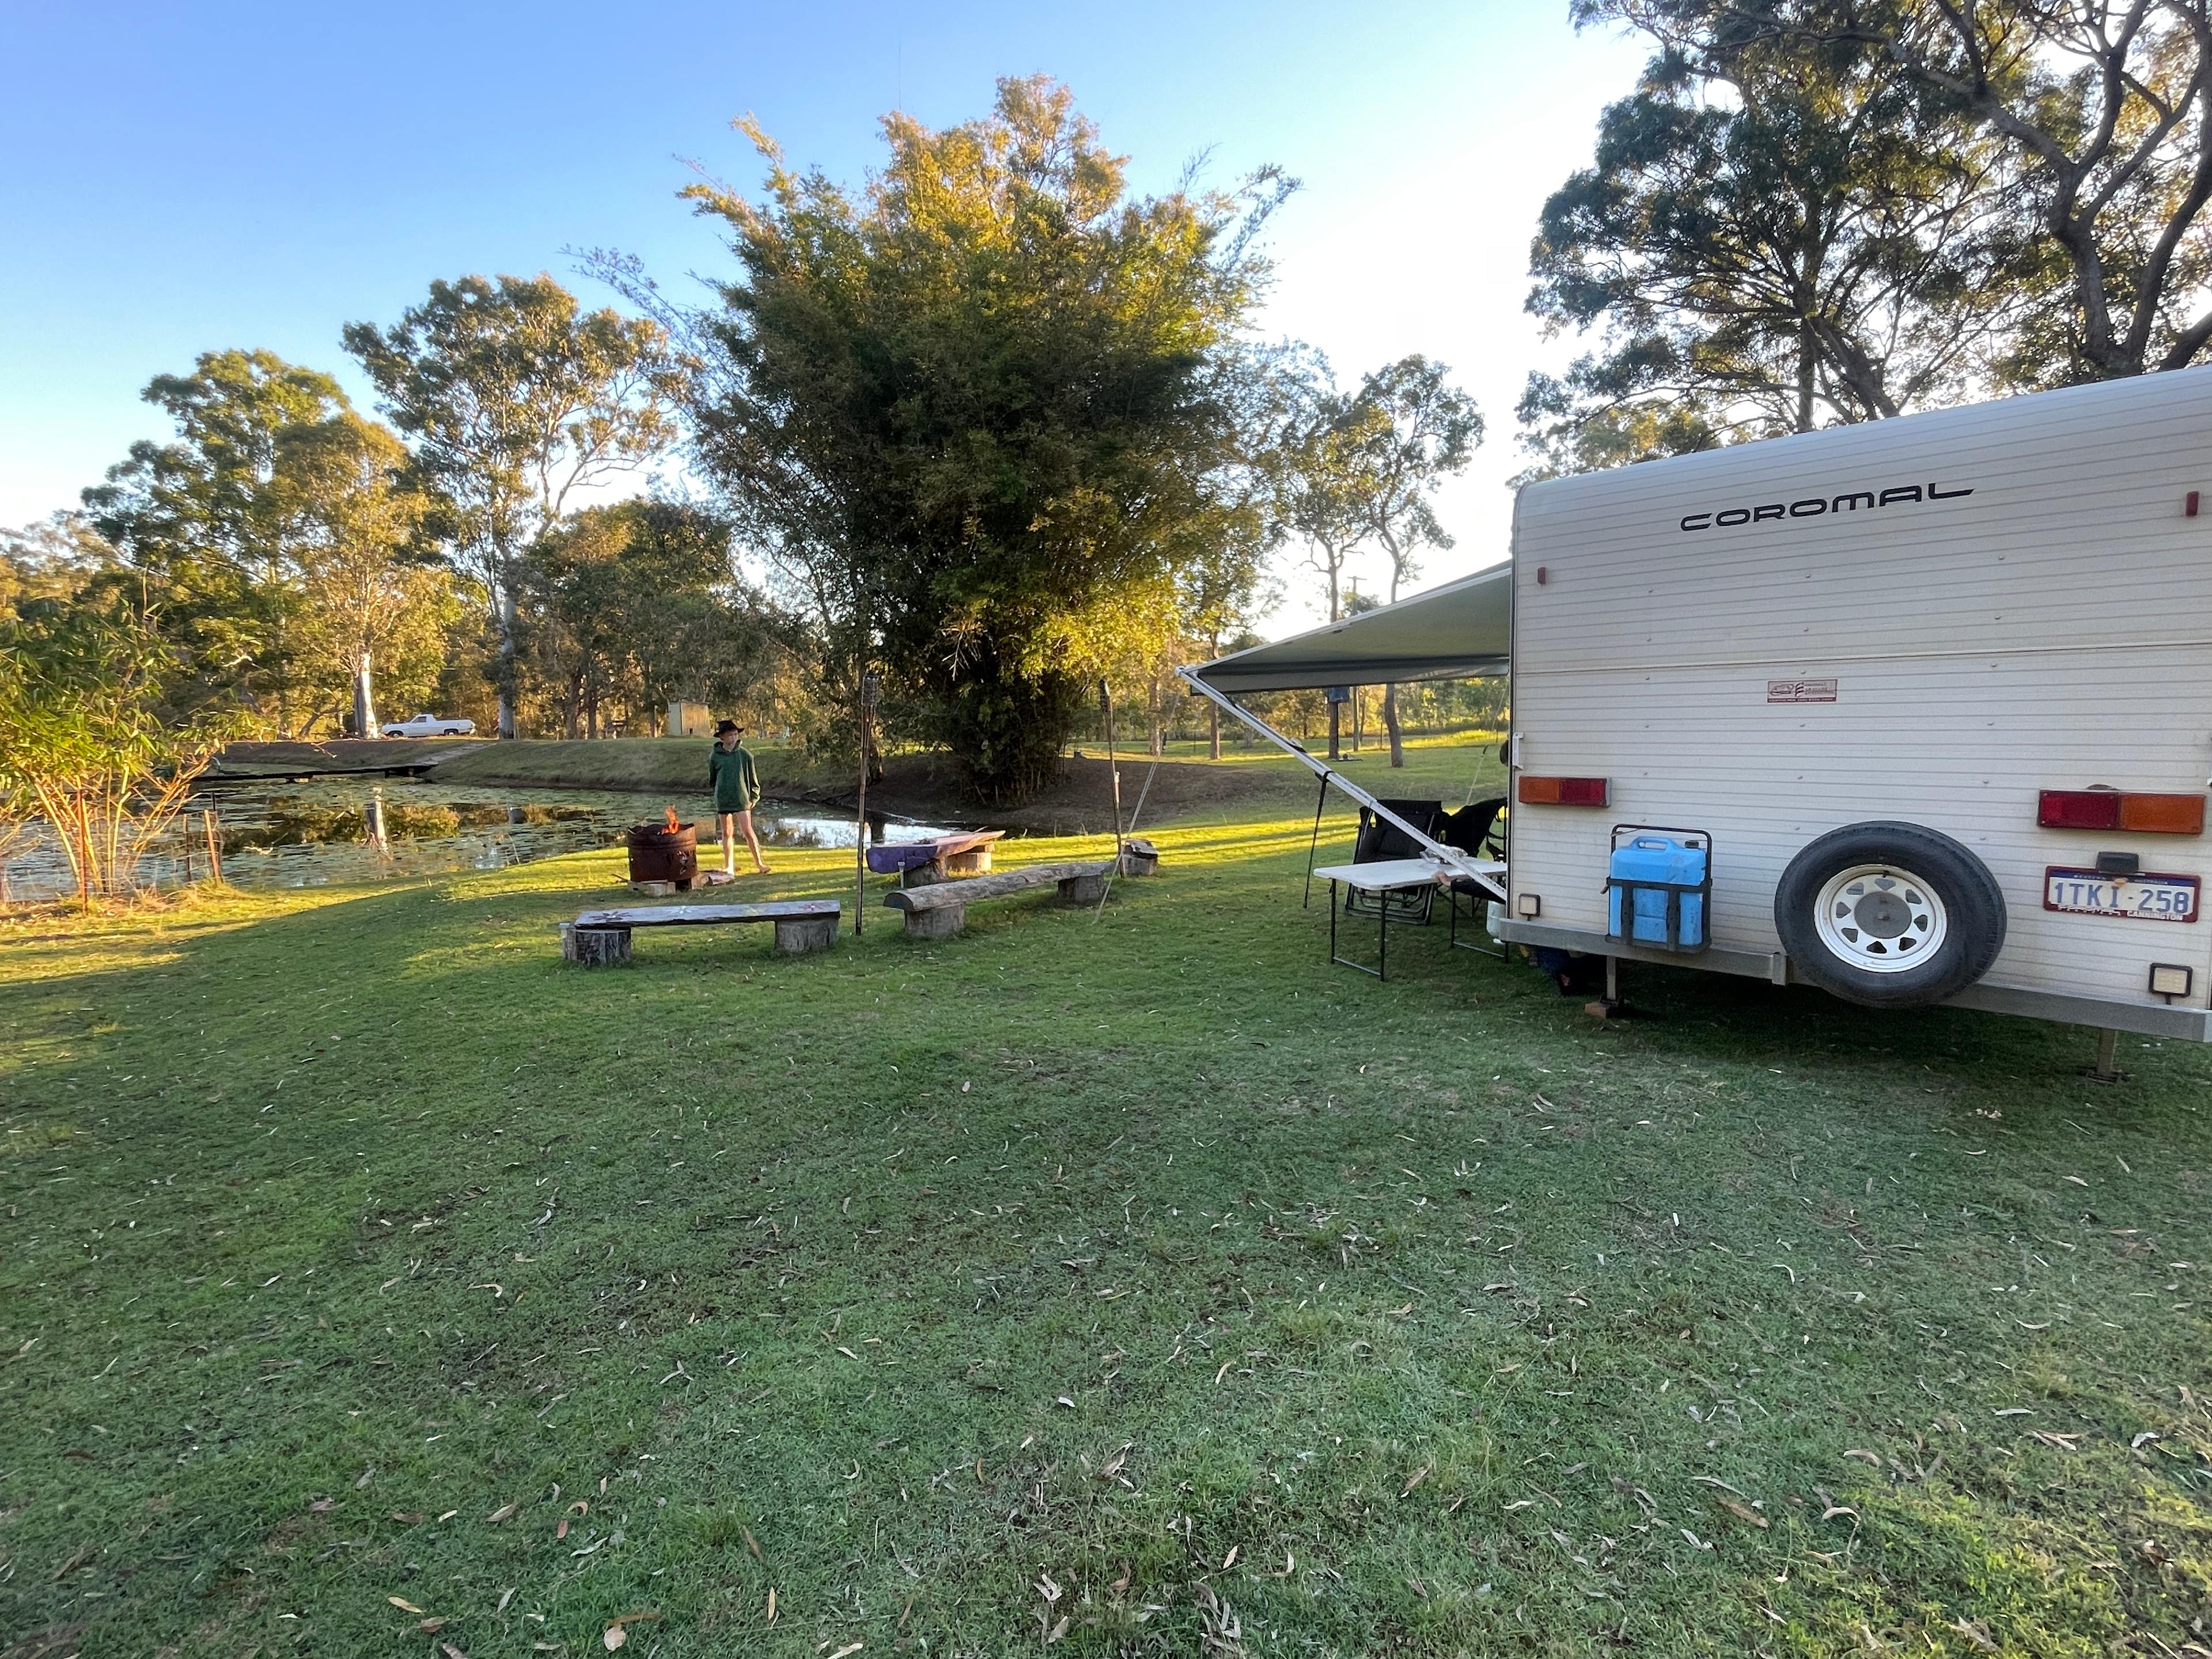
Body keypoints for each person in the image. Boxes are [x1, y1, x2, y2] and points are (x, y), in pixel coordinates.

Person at [708, 719, 770, 876]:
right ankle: (729, 866)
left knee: (747, 831)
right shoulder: (715, 756)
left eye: (736, 734)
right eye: (730, 735)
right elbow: (713, 779)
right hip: (723, 798)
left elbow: (753, 779)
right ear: (722, 737)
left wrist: (754, 798)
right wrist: (717, 794)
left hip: (741, 798)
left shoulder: (745, 755)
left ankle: (760, 864)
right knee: (726, 832)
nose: (734, 738)